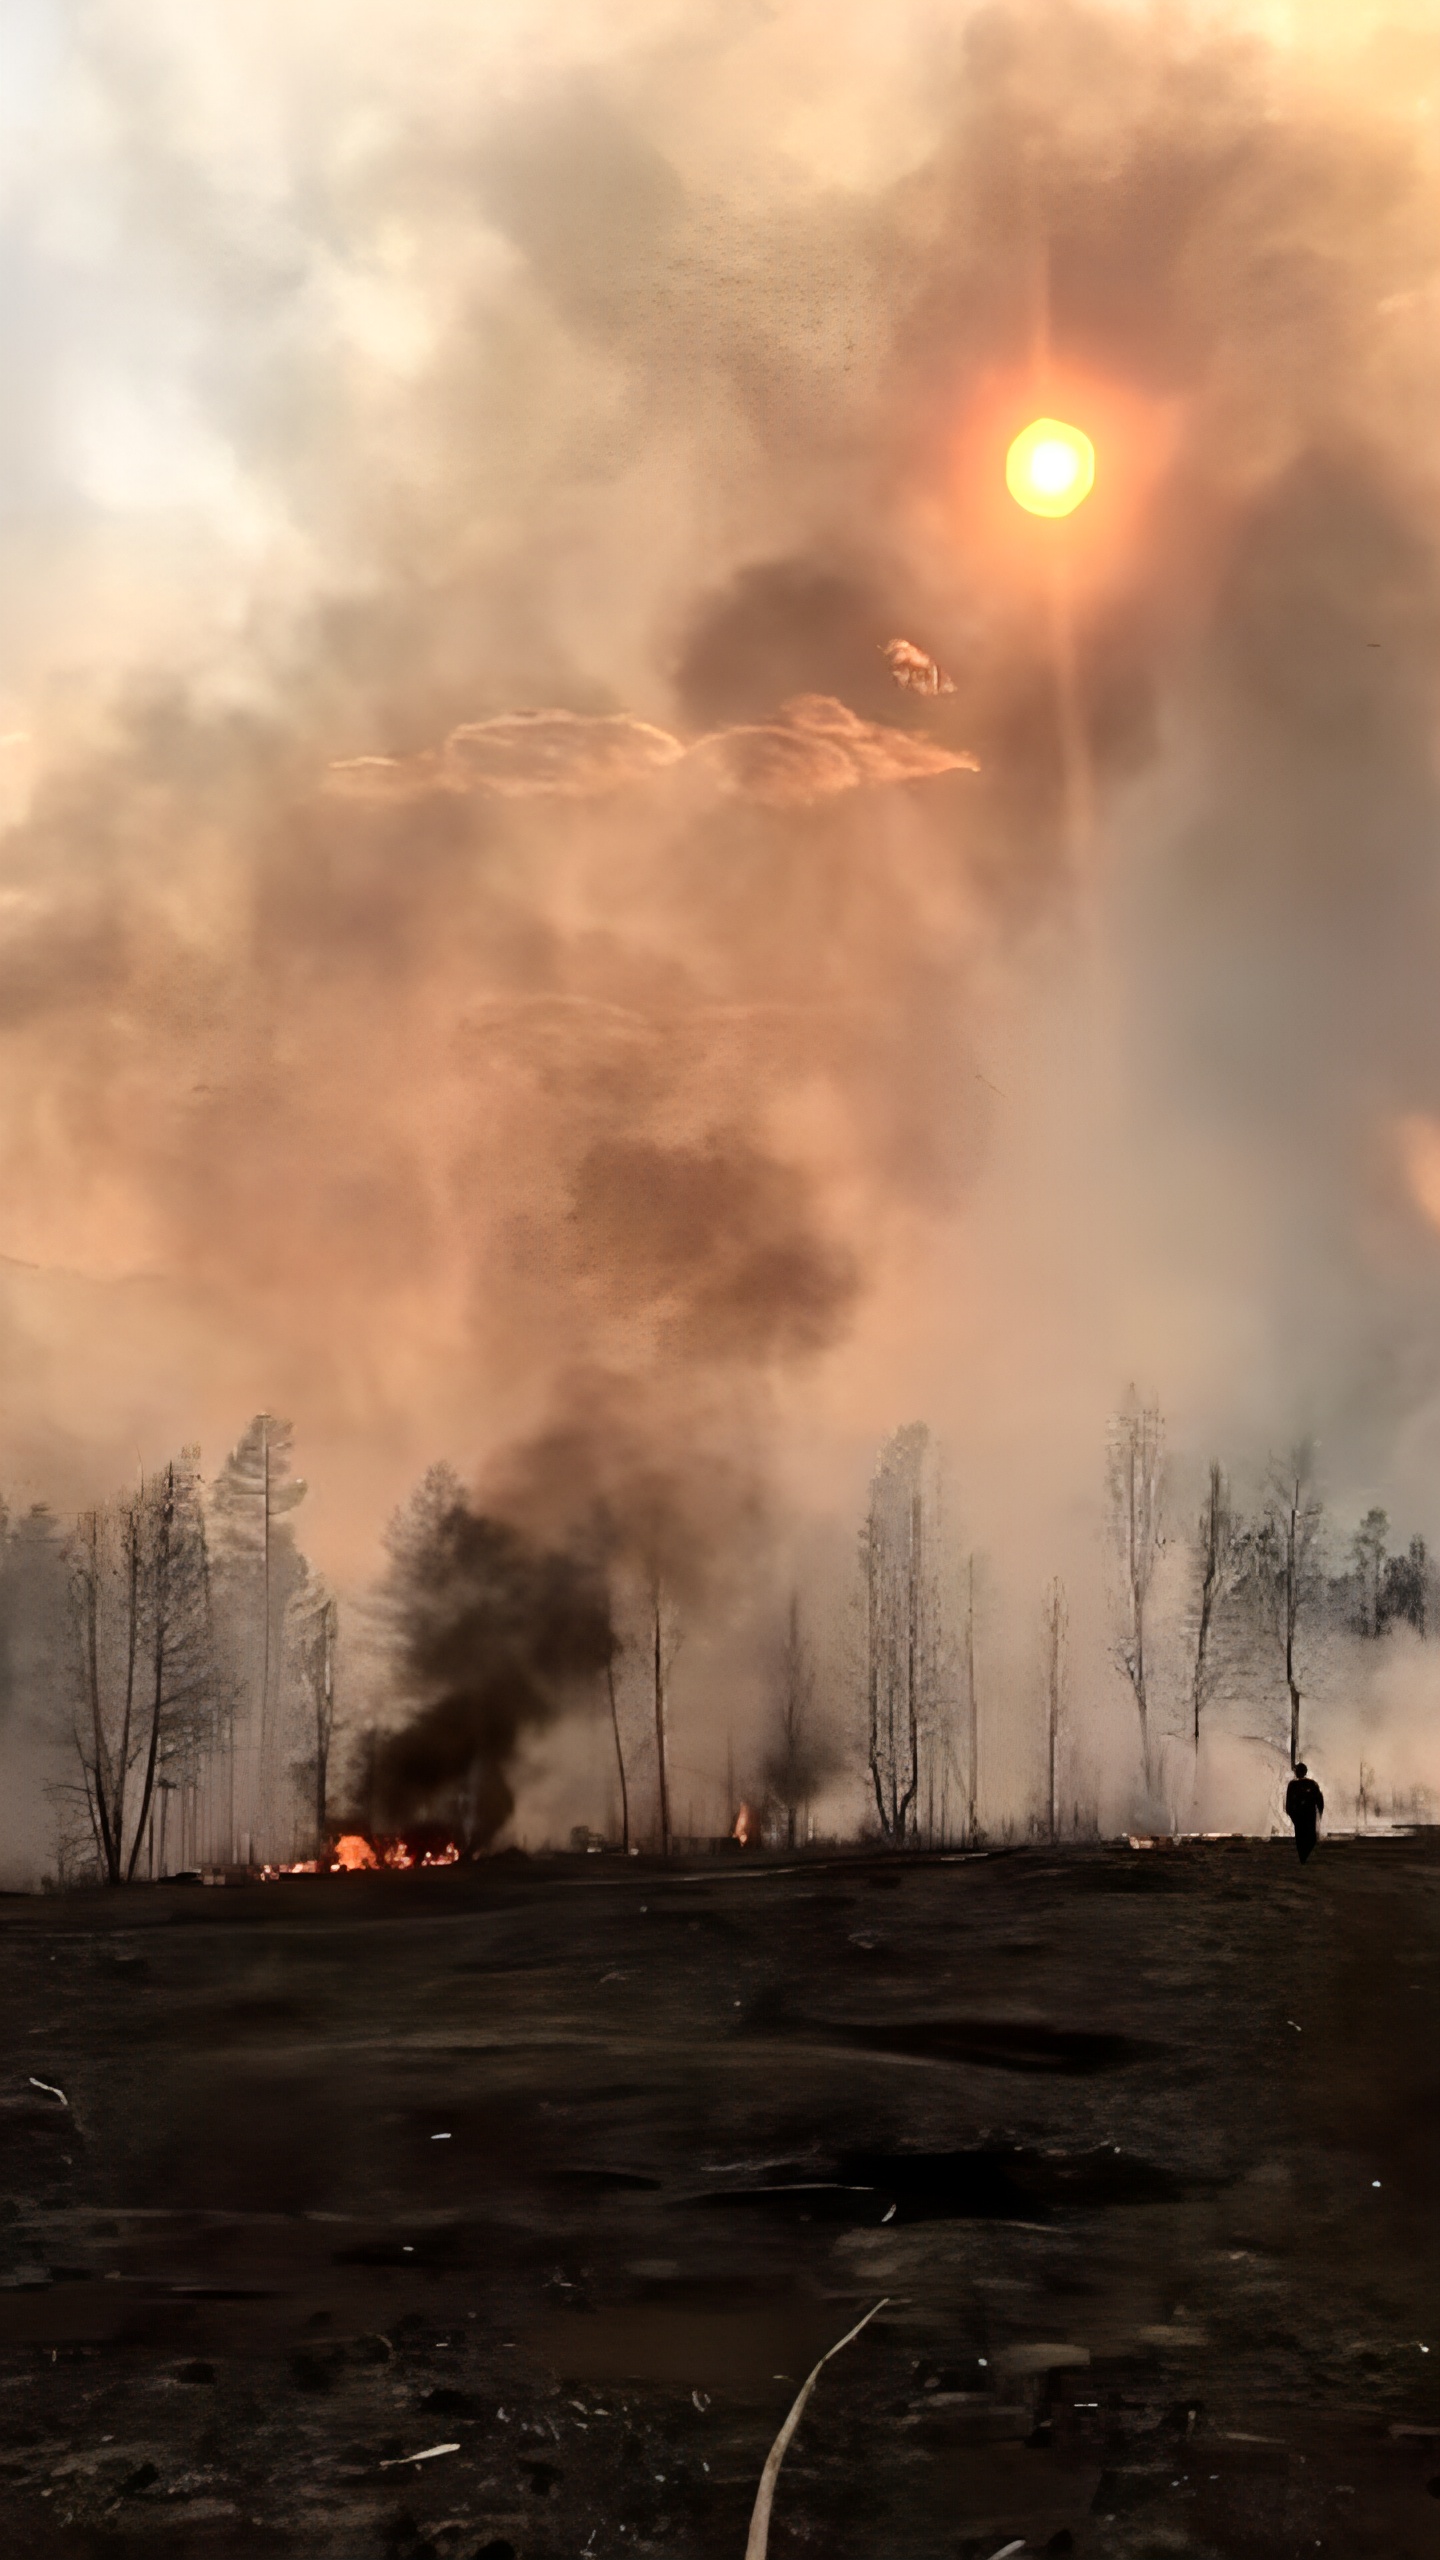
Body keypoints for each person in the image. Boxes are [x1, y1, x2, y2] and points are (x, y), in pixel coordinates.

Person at [1285, 1761, 1324, 1863]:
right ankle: (1305, 1856)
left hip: (1299, 1815)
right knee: (1310, 1836)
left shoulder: (1292, 1785)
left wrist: (1292, 1815)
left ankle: (1303, 1857)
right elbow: (1319, 1800)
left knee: (1301, 1836)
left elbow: (1288, 1804)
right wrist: (1320, 1812)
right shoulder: (1311, 1784)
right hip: (1309, 1814)